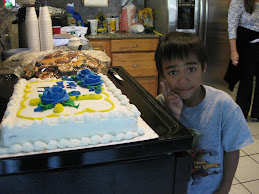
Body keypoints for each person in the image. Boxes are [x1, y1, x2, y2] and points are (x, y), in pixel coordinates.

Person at [155, 31, 254, 194]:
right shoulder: (159, 105)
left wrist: (224, 188)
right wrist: (173, 117)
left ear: (204, 67)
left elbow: (232, 150)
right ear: (162, 75)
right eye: (173, 72)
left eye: (191, 69)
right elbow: (161, 155)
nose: (183, 79)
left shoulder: (223, 105)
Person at [228, 0, 259, 119]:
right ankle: (241, 113)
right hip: (246, 45)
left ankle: (257, 113)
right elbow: (232, 26)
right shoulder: (239, 1)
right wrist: (233, 51)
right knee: (246, 80)